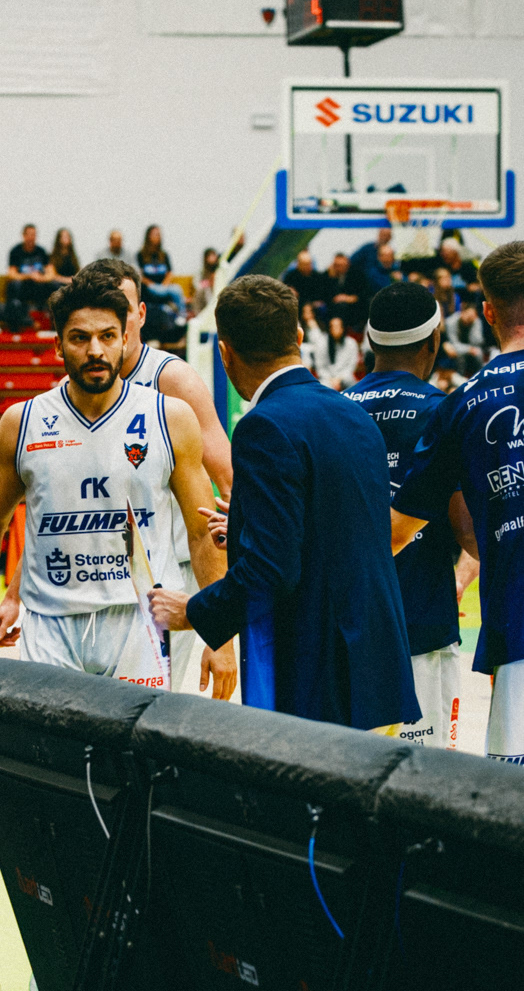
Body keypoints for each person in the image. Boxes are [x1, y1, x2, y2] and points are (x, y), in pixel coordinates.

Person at [149, 274, 419, 732]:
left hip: (320, 671)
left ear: (225, 353)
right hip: (377, 661)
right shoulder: (352, 413)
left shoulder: (262, 426)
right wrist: (244, 530)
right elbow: (346, 527)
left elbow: (272, 569)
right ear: (297, 335)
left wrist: (192, 611)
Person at [0, 278, 236, 697]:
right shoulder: (22, 423)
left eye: (107, 336)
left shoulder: (169, 417)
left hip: (142, 622)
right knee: (49, 740)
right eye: (80, 338)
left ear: (125, 339)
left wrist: (220, 634)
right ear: (58, 346)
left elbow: (202, 532)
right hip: (51, 624)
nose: (95, 350)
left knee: (132, 741)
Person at [391, 241, 524, 764]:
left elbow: (397, 531)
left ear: (487, 312)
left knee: (509, 802)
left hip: (517, 627)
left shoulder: (461, 405)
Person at [346, 282, 479, 748]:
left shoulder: (334, 411)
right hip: (423, 624)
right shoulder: (445, 413)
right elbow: (470, 531)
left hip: (349, 631)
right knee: (425, 779)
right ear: (434, 340)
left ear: (370, 340)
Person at [4, 225, 52, 332]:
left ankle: (53, 322)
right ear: (23, 236)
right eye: (28, 235)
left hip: (39, 287)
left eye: (33, 235)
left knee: (54, 285)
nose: (31, 237)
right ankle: (23, 321)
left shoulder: (41, 251)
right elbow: (11, 274)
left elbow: (51, 274)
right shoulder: (16, 251)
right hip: (23, 287)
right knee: (14, 285)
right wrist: (29, 275)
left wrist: (40, 277)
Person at [137, 226, 187, 317]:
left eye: (159, 235)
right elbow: (139, 274)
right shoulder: (141, 255)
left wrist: (164, 285)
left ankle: (182, 316)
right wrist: (150, 284)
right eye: (155, 234)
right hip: (149, 287)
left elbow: (170, 273)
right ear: (148, 236)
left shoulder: (164, 255)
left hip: (164, 286)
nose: (157, 237)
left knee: (177, 289)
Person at [308, 316, 360, 390]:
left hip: (345, 377)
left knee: (354, 385)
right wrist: (331, 380)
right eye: (333, 327)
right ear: (329, 329)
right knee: (323, 387)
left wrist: (339, 379)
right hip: (327, 379)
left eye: (338, 326)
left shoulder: (351, 343)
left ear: (343, 328)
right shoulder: (321, 343)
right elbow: (320, 367)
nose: (335, 329)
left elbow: (351, 365)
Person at [444, 295, 486, 378]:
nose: (468, 319)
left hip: (471, 347)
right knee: (460, 354)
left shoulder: (476, 322)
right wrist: (468, 349)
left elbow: (478, 342)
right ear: (462, 312)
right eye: (467, 315)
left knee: (479, 352)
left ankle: (480, 376)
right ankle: (461, 377)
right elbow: (453, 343)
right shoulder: (450, 322)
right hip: (455, 347)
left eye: (471, 317)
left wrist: (474, 325)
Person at [322, 252, 366, 331]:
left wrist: (348, 298)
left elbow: (364, 293)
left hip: (353, 305)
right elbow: (325, 294)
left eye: (341, 265)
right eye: (336, 265)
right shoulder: (328, 275)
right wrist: (332, 278)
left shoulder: (356, 274)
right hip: (333, 305)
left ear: (347, 264)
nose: (338, 268)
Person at [191, 248, 220, 316]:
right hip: (205, 292)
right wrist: (207, 284)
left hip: (217, 289)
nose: (212, 258)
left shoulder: (219, 269)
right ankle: (200, 315)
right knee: (202, 292)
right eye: (210, 256)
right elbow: (196, 283)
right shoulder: (202, 272)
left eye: (213, 255)